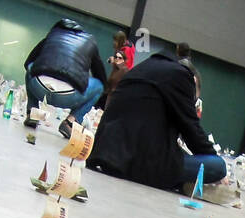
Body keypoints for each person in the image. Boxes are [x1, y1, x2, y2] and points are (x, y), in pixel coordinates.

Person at [87, 53, 224, 193]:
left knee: (186, 158)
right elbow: (192, 132)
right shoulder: (182, 77)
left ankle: (182, 181)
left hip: (104, 152)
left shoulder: (143, 67)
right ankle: (182, 182)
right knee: (218, 166)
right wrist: (212, 159)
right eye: (193, 100)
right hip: (138, 163)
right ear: (193, 81)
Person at [23, 19, 106, 135]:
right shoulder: (89, 42)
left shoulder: (52, 36)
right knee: (99, 86)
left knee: (32, 67)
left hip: (40, 89)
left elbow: (27, 63)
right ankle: (70, 122)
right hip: (69, 97)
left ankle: (32, 112)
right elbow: (101, 77)